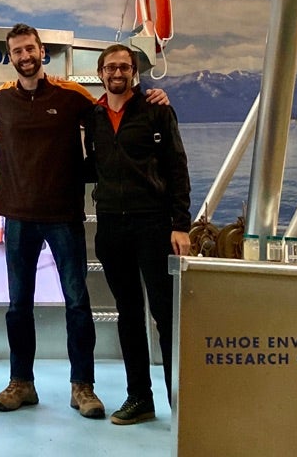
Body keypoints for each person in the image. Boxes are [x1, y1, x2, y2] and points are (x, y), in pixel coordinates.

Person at [0, 23, 167, 419]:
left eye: (30, 48)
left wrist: (155, 97)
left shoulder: (74, 96)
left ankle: (83, 386)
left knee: (78, 304)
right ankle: (21, 383)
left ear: (41, 52)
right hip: (17, 216)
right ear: (11, 56)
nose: (24, 56)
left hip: (63, 215)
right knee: (18, 306)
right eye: (17, 51)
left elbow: (113, 112)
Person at [83, 43, 191, 426]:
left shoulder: (157, 109)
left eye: (123, 67)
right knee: (128, 314)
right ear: (100, 73)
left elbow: (177, 167)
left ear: (133, 72)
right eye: (110, 67)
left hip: (154, 224)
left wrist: (181, 224)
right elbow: (90, 166)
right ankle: (139, 399)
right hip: (112, 226)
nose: (117, 73)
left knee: (165, 314)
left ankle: (181, 402)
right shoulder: (93, 115)